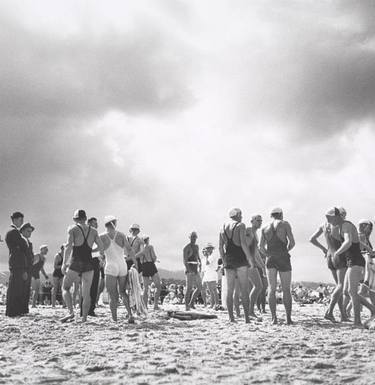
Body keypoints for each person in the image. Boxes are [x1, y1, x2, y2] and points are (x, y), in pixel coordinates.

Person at [325, 207, 375, 326]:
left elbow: (347, 242)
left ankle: (357, 321)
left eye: (330, 218)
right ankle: (371, 310)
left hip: (356, 261)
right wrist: (368, 248)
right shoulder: (341, 227)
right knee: (347, 291)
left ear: (337, 217)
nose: (328, 221)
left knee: (352, 292)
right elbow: (356, 241)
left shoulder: (346, 225)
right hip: (351, 261)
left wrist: (337, 253)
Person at [61, 209, 104, 323]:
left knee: (65, 287)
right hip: (88, 263)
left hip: (76, 261)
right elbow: (101, 247)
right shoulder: (94, 231)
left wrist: (64, 263)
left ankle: (71, 312)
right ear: (85, 218)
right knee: (86, 293)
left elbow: (69, 246)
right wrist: (96, 253)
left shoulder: (73, 229)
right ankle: (84, 318)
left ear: (75, 219)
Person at [310, 209, 348, 322]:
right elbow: (347, 241)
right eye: (344, 215)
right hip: (339, 255)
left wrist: (323, 249)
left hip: (329, 256)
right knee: (341, 286)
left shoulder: (323, 225)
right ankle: (329, 311)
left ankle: (343, 315)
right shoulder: (340, 225)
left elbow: (312, 239)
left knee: (338, 286)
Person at [260, 207, 295, 325]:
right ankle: (288, 318)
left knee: (271, 289)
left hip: (270, 258)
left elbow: (260, 247)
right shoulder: (285, 224)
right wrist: (285, 251)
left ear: (271, 215)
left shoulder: (264, 227)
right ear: (281, 214)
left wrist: (268, 254)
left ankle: (274, 318)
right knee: (286, 289)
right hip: (283, 257)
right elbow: (292, 242)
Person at [219, 208, 254, 323]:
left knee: (230, 290)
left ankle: (231, 318)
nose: (242, 217)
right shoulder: (240, 225)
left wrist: (224, 261)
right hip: (240, 259)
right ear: (238, 215)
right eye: (241, 215)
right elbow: (243, 244)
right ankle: (247, 319)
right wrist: (249, 259)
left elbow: (220, 248)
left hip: (229, 259)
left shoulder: (223, 227)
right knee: (244, 289)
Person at [99, 215, 135, 322]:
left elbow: (99, 253)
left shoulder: (101, 236)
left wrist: (100, 260)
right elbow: (130, 250)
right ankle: (130, 314)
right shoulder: (121, 235)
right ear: (114, 223)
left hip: (110, 265)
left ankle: (115, 320)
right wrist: (135, 263)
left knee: (112, 295)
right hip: (122, 265)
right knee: (123, 292)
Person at [5, 212, 28, 317]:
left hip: (16, 261)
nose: (21, 222)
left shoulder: (13, 232)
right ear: (14, 220)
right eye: (20, 220)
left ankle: (13, 310)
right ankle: (13, 311)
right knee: (15, 287)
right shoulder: (13, 232)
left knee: (16, 286)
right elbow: (23, 246)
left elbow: (22, 246)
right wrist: (22, 245)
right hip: (16, 262)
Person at [246, 215, 266, 318]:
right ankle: (249, 311)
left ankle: (250, 311)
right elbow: (243, 247)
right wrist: (250, 261)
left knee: (258, 287)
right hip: (247, 263)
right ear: (252, 221)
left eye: (261, 221)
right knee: (257, 286)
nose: (260, 222)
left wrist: (262, 265)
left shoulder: (256, 234)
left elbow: (256, 251)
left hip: (252, 263)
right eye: (257, 220)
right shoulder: (248, 231)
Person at [135, 236, 162, 310]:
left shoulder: (140, 250)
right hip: (150, 265)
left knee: (145, 288)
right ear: (147, 240)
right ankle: (155, 305)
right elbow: (154, 257)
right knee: (158, 286)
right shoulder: (150, 247)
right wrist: (154, 259)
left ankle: (145, 306)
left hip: (144, 266)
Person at [82, 217, 101, 316]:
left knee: (92, 286)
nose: (96, 225)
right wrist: (92, 251)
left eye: (96, 223)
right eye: (94, 223)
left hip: (93, 259)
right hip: (90, 260)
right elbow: (100, 246)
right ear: (89, 223)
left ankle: (90, 310)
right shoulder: (90, 233)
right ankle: (86, 310)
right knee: (89, 286)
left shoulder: (90, 233)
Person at [183, 232, 206, 310]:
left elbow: (197, 256)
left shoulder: (196, 246)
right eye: (193, 237)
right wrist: (188, 270)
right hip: (189, 269)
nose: (194, 239)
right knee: (189, 288)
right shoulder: (186, 247)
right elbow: (185, 260)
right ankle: (186, 305)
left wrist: (200, 263)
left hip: (195, 269)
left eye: (195, 237)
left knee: (200, 287)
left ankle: (191, 303)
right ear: (190, 238)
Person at [358, 220, 375, 306]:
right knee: (364, 288)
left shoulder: (364, 237)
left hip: (365, 266)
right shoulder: (362, 236)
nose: (371, 230)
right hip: (363, 266)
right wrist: (369, 251)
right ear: (364, 226)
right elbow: (360, 251)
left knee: (364, 289)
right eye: (370, 228)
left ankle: (348, 310)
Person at [19, 222, 35, 314]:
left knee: (26, 289)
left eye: (31, 231)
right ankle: (21, 309)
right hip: (24, 268)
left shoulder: (29, 242)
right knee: (22, 289)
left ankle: (25, 309)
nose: (30, 233)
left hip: (29, 268)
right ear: (23, 231)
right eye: (28, 231)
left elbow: (30, 255)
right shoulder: (21, 241)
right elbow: (22, 256)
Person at [201, 243, 219, 309]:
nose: (207, 249)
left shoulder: (212, 256)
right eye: (207, 248)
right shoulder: (209, 256)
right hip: (208, 274)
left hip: (212, 273)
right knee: (211, 290)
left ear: (212, 249)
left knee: (214, 290)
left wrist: (206, 256)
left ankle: (216, 304)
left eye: (209, 248)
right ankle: (212, 304)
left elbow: (207, 263)